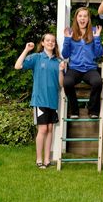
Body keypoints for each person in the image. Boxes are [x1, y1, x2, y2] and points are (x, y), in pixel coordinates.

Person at [14, 33, 65, 169]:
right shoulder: (36, 58)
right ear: (42, 43)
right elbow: (18, 66)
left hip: (53, 100)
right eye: (47, 40)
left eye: (53, 41)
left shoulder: (59, 61)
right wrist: (26, 50)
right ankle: (39, 160)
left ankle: (47, 160)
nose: (50, 43)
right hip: (40, 100)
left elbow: (61, 84)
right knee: (42, 129)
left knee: (50, 129)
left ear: (55, 44)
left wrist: (61, 71)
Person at [62, 7, 103, 119]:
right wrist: (67, 40)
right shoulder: (70, 32)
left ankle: (93, 111)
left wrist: (97, 38)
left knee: (98, 82)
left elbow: (99, 54)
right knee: (67, 82)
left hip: (90, 69)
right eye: (80, 16)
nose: (82, 18)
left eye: (85, 16)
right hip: (75, 69)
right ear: (76, 18)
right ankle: (74, 110)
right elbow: (65, 55)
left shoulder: (94, 31)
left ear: (88, 19)